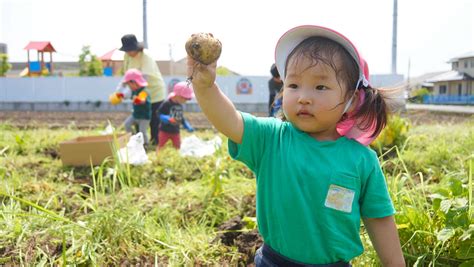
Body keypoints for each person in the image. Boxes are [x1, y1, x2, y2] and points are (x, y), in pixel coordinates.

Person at [187, 25, 405, 266]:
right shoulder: (271, 138)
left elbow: (380, 219)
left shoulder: (362, 160)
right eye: (293, 85)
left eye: (320, 86)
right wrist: (205, 87)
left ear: (351, 101)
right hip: (274, 261)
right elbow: (230, 120)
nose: (303, 97)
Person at [120, 34, 166, 146]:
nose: (129, 53)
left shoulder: (146, 57)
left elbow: (144, 79)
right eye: (127, 50)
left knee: (154, 120)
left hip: (154, 91)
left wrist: (132, 92)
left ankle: (155, 142)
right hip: (138, 92)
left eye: (131, 50)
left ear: (137, 47)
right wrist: (122, 91)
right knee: (138, 116)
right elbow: (127, 76)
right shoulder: (127, 57)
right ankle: (137, 142)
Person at [112, 69, 152, 146]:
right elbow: (126, 96)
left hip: (144, 117)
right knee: (127, 125)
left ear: (134, 82)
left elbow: (142, 100)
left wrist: (137, 99)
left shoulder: (145, 91)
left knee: (142, 131)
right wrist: (120, 96)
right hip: (135, 114)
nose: (129, 87)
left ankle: (146, 144)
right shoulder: (133, 91)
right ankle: (133, 139)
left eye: (129, 84)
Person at [156, 81, 195, 151]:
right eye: (185, 98)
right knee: (161, 145)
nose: (186, 101)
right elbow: (158, 113)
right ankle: (158, 158)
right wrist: (166, 118)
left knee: (177, 146)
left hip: (175, 131)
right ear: (177, 95)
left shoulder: (180, 105)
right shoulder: (167, 103)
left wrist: (186, 125)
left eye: (187, 99)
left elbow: (180, 117)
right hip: (164, 130)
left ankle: (177, 156)